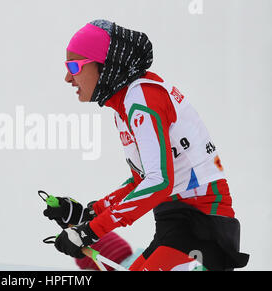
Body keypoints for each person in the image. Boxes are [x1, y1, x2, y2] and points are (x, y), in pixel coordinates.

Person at [43, 20, 249, 271]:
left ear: (104, 65)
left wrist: (90, 232)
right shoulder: (124, 106)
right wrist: (89, 214)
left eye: (74, 66)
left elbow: (159, 181)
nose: (68, 77)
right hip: (174, 226)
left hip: (201, 229)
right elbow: (143, 180)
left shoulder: (142, 99)